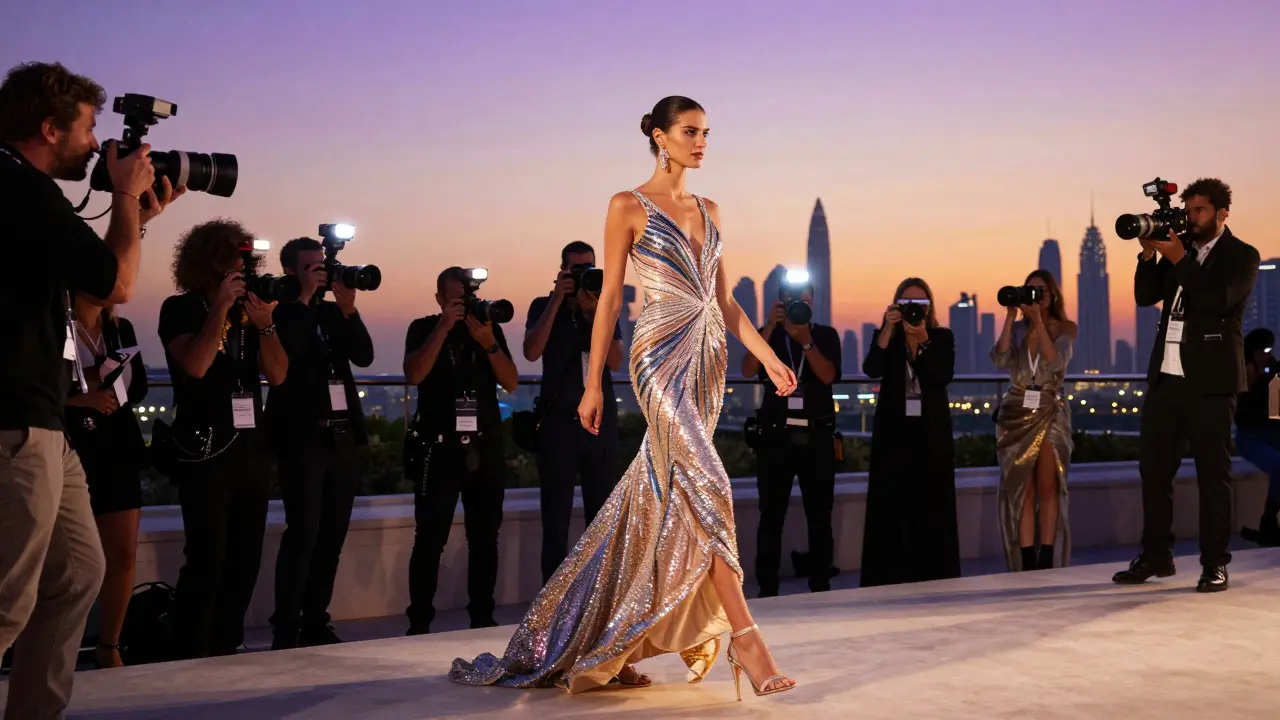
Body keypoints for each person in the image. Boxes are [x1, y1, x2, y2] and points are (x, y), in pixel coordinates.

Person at [451, 96, 799, 700]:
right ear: (661, 138)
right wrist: (591, 384)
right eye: (691, 132)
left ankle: (610, 639)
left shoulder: (711, 209)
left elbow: (726, 300)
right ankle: (747, 637)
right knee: (710, 482)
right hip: (658, 356)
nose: (702, 142)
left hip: (708, 356)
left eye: (707, 133)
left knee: (667, 495)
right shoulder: (626, 205)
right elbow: (610, 298)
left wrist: (769, 360)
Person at [0, 60, 179, 717]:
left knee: (77, 573)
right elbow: (118, 287)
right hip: (16, 424)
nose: (96, 148)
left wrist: (137, 214)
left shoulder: (24, 192)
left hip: (44, 423)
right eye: (87, 131)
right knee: (7, 597)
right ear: (49, 127)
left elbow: (91, 287)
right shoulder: (20, 189)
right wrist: (127, 197)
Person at [1113, 178, 1259, 593]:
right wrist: (1148, 253)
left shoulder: (1241, 256)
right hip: (1167, 378)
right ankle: (1156, 556)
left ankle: (1215, 563)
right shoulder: (1183, 252)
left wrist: (1179, 258)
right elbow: (1145, 296)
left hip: (1212, 383)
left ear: (1222, 213)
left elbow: (1216, 301)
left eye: (1200, 210)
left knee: (1214, 476)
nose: (1192, 217)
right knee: (1154, 471)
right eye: (1188, 209)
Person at [158, 219, 288, 658]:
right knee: (208, 557)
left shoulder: (250, 313)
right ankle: (190, 651)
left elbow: (278, 374)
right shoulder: (180, 309)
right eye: (237, 257)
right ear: (212, 260)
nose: (244, 266)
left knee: (246, 558)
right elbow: (195, 364)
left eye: (248, 259)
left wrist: (266, 324)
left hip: (250, 449)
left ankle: (227, 645)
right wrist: (219, 309)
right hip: (204, 449)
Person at [266, 237, 374, 649]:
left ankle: (315, 620)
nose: (321, 273)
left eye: (322, 267)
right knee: (304, 533)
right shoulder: (280, 312)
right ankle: (286, 625)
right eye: (311, 267)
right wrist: (305, 298)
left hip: (342, 435)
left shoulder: (333, 314)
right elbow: (285, 356)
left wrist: (348, 309)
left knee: (332, 535)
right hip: (302, 436)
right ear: (291, 271)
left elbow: (363, 355)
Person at [403, 267, 518, 635]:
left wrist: (488, 342)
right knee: (430, 538)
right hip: (439, 449)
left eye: (467, 299)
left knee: (485, 538)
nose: (463, 306)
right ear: (439, 299)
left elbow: (512, 382)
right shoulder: (422, 328)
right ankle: (419, 622)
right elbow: (414, 374)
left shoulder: (487, 330)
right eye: (455, 300)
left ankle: (482, 619)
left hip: (484, 447)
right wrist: (443, 328)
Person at [523, 241, 625, 584]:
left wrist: (596, 313)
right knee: (555, 518)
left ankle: (598, 597)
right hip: (558, 424)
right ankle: (551, 605)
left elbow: (615, 361)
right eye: (577, 270)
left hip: (599, 423)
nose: (584, 276)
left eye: (589, 269)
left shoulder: (605, 306)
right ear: (563, 270)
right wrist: (557, 299)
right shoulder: (543, 305)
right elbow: (531, 351)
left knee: (601, 515)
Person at [741, 282, 841, 598]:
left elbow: (827, 376)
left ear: (815, 303)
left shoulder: (825, 335)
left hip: (817, 436)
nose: (799, 307)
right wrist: (770, 326)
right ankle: (767, 588)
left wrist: (807, 342)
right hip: (775, 437)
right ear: (781, 302)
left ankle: (820, 585)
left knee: (820, 516)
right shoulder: (768, 334)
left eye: (806, 301)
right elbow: (747, 370)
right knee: (771, 516)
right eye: (793, 301)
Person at [65, 293, 149, 669]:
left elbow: (140, 386)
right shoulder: (54, 327)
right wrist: (81, 398)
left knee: (122, 554)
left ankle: (109, 645)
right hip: (69, 445)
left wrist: (111, 382)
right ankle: (55, 647)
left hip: (117, 446)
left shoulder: (120, 329)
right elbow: (28, 387)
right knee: (67, 560)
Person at [860, 278, 961, 587]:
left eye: (920, 305)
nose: (914, 311)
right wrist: (889, 329)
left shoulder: (941, 337)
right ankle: (888, 574)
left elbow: (940, 375)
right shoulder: (888, 337)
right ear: (896, 306)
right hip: (894, 430)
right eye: (906, 305)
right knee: (891, 504)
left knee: (932, 502)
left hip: (931, 432)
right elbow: (871, 368)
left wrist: (923, 340)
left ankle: (934, 573)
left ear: (930, 308)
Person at [991, 270, 1077, 571]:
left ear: (1053, 295)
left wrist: (1039, 323)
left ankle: (1047, 556)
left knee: (1048, 485)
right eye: (1030, 291)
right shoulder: (1017, 330)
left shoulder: (1065, 327)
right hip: (1016, 412)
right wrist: (1010, 317)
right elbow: (1001, 359)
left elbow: (1055, 362)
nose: (1035, 298)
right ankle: (1027, 559)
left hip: (1049, 409)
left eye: (1040, 292)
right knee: (1022, 488)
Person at [1235, 328, 1280, 546]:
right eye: (1263, 351)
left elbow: (1276, 411)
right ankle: (1268, 523)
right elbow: (1241, 415)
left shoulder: (1273, 372)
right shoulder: (1241, 373)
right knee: (1279, 466)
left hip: (1271, 432)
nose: (1267, 356)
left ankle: (1269, 524)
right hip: (1250, 436)